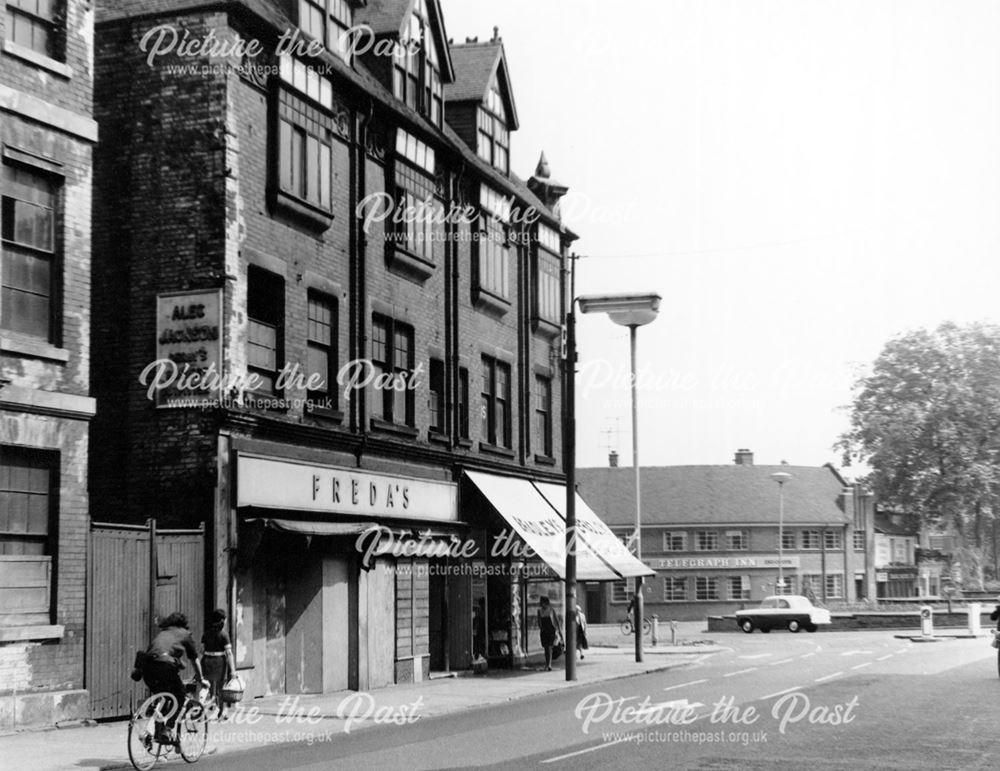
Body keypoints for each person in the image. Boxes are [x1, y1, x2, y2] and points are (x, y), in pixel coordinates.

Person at [143, 612, 206, 742]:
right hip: (165, 666)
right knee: (180, 696)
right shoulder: (184, 634)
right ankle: (168, 729)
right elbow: (194, 660)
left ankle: (158, 732)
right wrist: (201, 678)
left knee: (164, 697)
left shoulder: (163, 632)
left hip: (147, 667)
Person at [201, 608, 237, 720]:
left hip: (207, 660)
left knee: (209, 687)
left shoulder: (206, 633)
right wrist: (233, 669)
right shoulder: (224, 635)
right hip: (219, 661)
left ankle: (208, 710)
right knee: (221, 688)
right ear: (222, 620)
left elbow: (201, 650)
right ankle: (222, 712)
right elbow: (229, 653)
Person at [536, 596, 563, 671]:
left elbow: (556, 621)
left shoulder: (551, 610)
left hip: (551, 630)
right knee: (546, 648)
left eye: (542, 602)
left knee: (549, 647)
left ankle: (549, 664)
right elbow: (539, 621)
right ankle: (547, 663)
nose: (541, 604)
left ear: (546, 603)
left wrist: (559, 631)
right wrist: (541, 628)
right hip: (544, 631)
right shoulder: (539, 611)